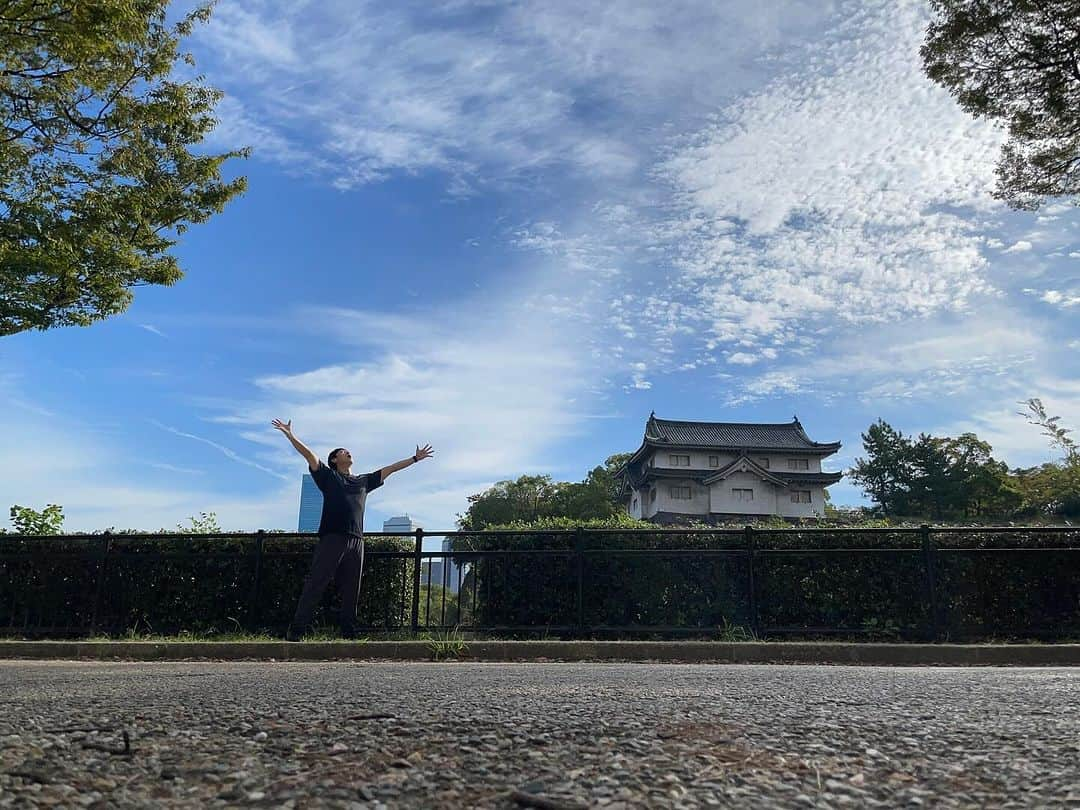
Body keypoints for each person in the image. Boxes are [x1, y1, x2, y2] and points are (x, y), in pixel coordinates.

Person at [272, 418, 434, 641]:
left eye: (348, 451)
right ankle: (297, 630)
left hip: (356, 541)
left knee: (352, 588)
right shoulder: (328, 477)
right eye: (343, 452)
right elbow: (309, 455)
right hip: (332, 537)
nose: (348, 453)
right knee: (317, 582)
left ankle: (348, 633)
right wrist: (290, 435)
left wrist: (415, 458)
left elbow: (391, 469)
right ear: (334, 460)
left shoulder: (364, 481)